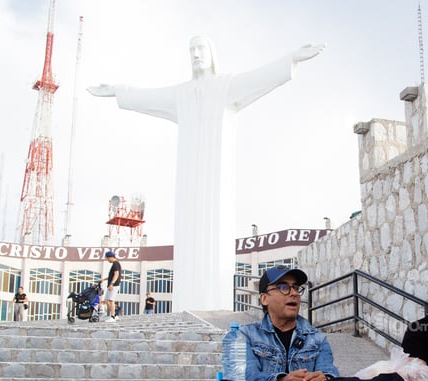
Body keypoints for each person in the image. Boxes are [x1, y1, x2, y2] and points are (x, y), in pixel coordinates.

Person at [88, 36, 324, 312]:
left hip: (216, 179)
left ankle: (212, 305)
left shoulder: (226, 86)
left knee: (213, 237)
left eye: (201, 49)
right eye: (192, 50)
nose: (196, 54)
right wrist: (118, 90)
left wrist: (291, 58)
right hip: (188, 180)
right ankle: (184, 305)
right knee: (188, 240)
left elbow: (260, 76)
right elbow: (146, 96)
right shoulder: (181, 93)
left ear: (211, 54)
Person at [241, 265, 338, 381]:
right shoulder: (246, 335)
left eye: (296, 287)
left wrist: (324, 379)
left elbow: (330, 373)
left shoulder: (318, 339)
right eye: (283, 287)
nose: (294, 293)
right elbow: (245, 377)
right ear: (264, 298)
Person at [101, 251, 122, 322]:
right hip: (111, 284)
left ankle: (113, 316)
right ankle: (115, 315)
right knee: (106, 300)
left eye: (107, 258)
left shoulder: (116, 264)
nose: (107, 260)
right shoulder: (115, 264)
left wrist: (112, 284)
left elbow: (116, 274)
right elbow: (112, 275)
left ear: (110, 257)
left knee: (111, 300)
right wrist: (104, 279)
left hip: (114, 285)